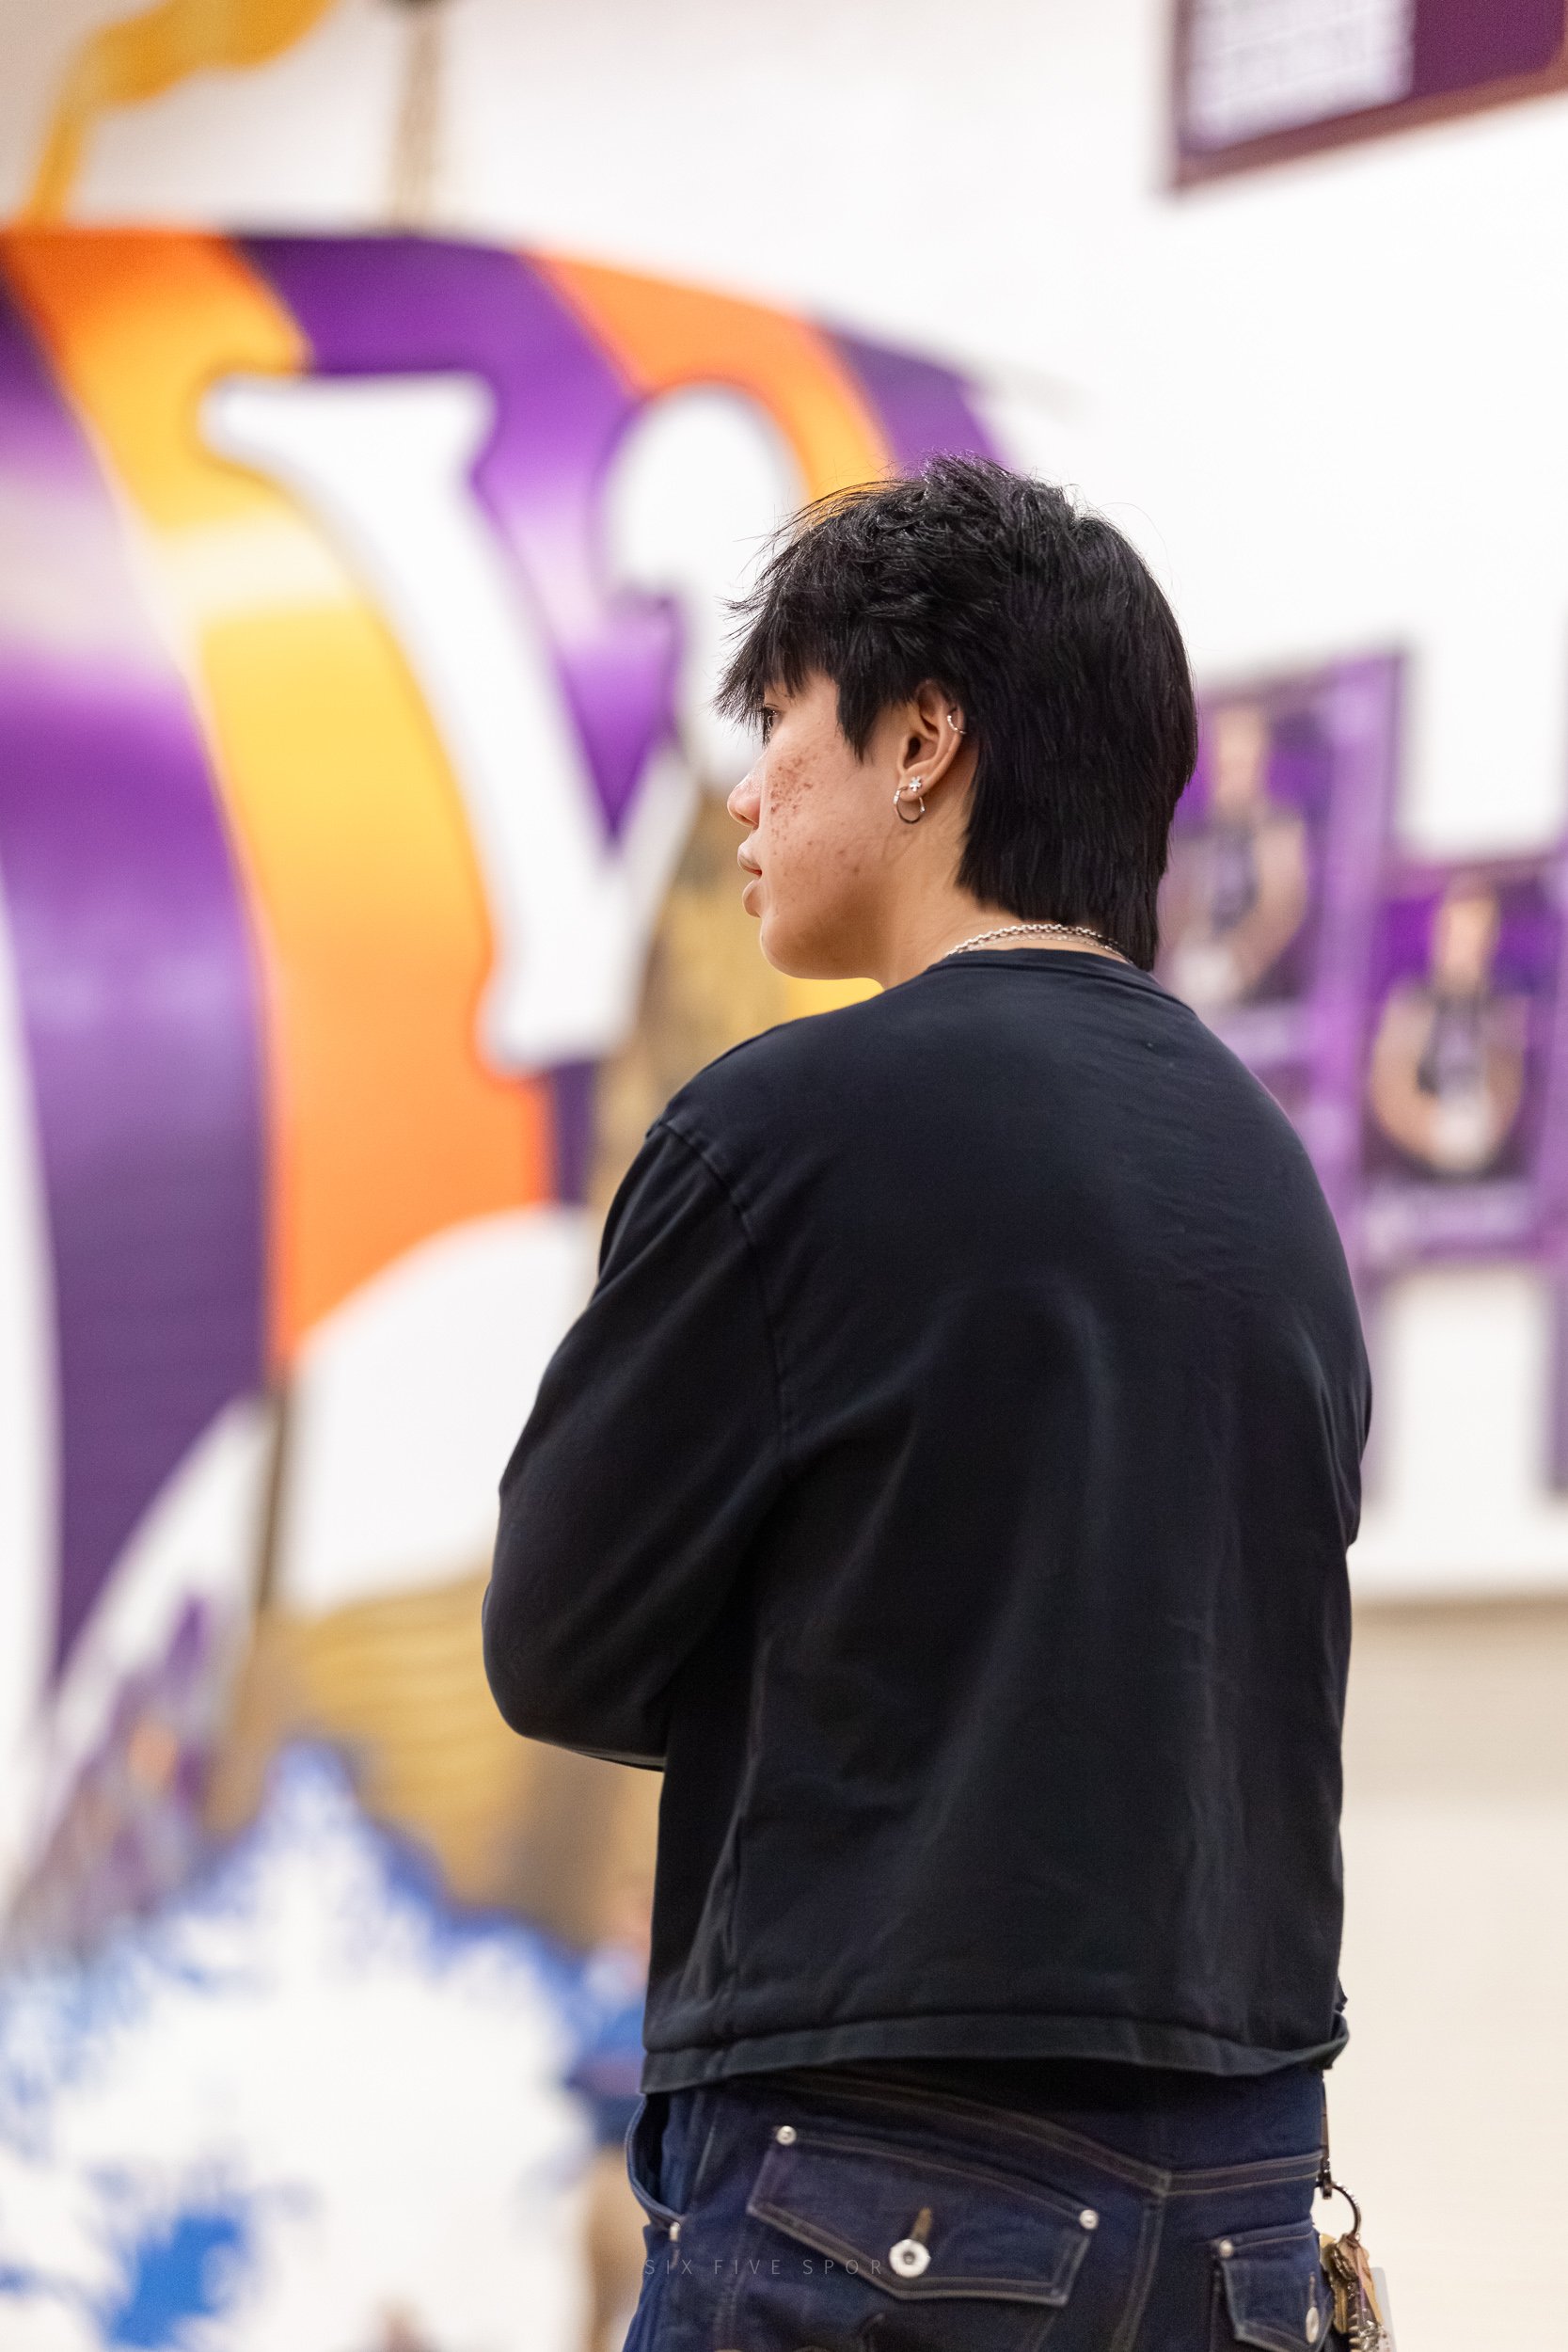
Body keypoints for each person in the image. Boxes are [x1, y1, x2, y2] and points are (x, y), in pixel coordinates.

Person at [483, 457, 1370, 2352]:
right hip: (1242, 2193)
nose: (745, 793)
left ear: (919, 739)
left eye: (779, 721)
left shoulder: (776, 1127)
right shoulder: (1270, 1172)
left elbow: (553, 1640)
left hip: (877, 2169)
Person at [1368, 874, 1528, 1177]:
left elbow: (1508, 1086)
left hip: (1484, 1156)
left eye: (1478, 936)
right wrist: (1426, 1132)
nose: (1467, 948)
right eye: (1459, 936)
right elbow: (1388, 1089)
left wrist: (1480, 1132)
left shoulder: (1500, 1006)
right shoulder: (1412, 1002)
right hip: (1416, 1161)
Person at [1161, 698, 1310, 1011]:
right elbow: (1183, 908)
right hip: (1197, 975)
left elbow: (1283, 909)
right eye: (1224, 763)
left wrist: (1238, 964)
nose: (1231, 774)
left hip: (1254, 988)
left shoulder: (1277, 828)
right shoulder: (1202, 833)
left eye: (1241, 763)